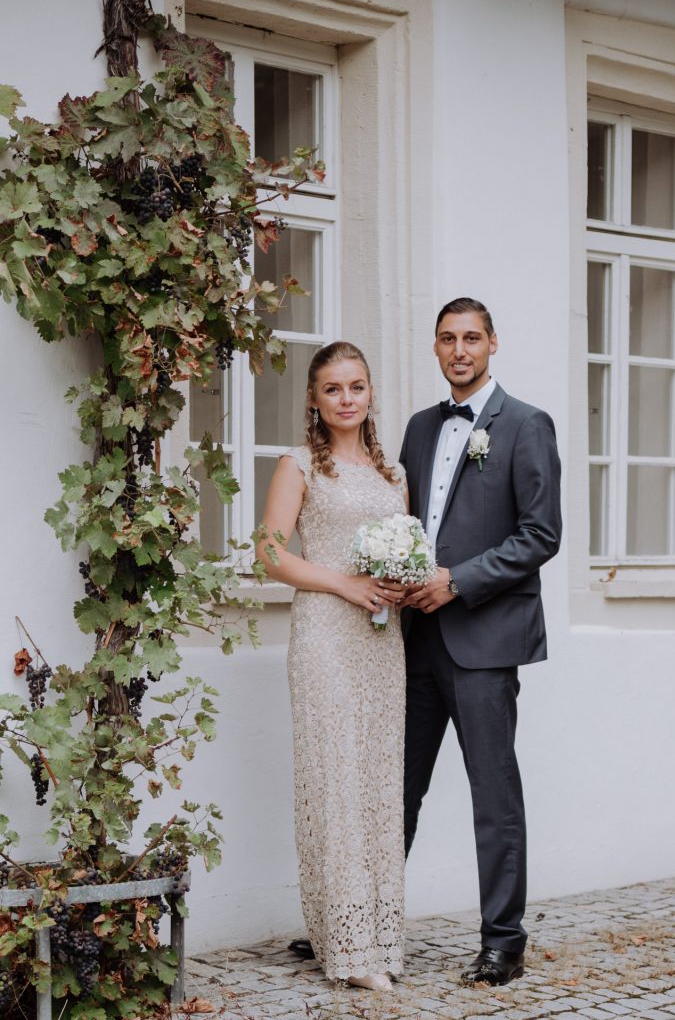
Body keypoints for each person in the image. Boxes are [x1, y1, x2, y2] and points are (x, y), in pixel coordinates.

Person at [399, 296, 562, 987]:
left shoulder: (525, 425)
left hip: (485, 640)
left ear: (492, 343)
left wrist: (458, 581)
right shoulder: (416, 428)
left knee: (493, 796)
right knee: (394, 791)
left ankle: (504, 941)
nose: (459, 349)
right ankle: (359, 925)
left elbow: (540, 534)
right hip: (413, 638)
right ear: (435, 348)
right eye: (446, 338)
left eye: (471, 337)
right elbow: (402, 521)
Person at [258, 341, 407, 991]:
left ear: (370, 393)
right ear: (315, 399)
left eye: (356, 386)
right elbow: (269, 552)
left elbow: (396, 553)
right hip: (325, 636)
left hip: (382, 640)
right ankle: (346, 947)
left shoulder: (392, 473)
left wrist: (397, 580)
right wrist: (345, 584)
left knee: (376, 785)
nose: (346, 398)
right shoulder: (299, 466)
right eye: (333, 388)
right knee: (336, 783)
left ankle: (379, 938)